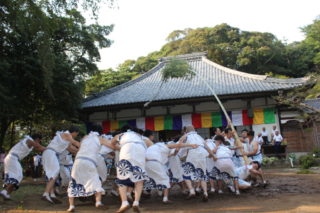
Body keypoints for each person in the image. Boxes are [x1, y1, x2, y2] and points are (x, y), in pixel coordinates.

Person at [67, 124, 115, 212]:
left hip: (78, 160)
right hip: (89, 161)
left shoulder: (85, 137)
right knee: (96, 181)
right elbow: (112, 146)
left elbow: (80, 147)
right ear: (100, 132)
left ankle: (71, 206)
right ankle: (98, 202)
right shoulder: (100, 139)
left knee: (73, 182)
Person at [144, 139, 198, 204]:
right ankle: (165, 198)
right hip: (157, 162)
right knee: (167, 180)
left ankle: (139, 195)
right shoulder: (165, 145)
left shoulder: (152, 148)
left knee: (144, 180)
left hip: (146, 163)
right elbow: (178, 146)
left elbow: (171, 154)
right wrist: (190, 145)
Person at [111, 126, 151, 213]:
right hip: (140, 150)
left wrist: (119, 148)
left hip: (126, 149)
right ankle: (136, 202)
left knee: (122, 177)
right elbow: (150, 145)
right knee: (139, 179)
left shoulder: (122, 134)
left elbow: (112, 143)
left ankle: (124, 203)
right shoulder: (140, 137)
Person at [42, 126, 80, 204]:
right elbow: (75, 143)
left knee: (52, 174)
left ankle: (51, 195)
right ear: (75, 132)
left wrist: (80, 151)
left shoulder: (67, 139)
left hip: (50, 153)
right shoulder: (67, 134)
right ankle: (46, 194)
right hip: (51, 153)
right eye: (77, 134)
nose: (76, 135)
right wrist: (87, 147)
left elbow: (71, 149)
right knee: (54, 173)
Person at [0, 134, 46, 200]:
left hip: (11, 158)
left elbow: (38, 148)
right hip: (12, 158)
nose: (39, 142)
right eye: (39, 141)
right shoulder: (29, 140)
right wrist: (50, 149)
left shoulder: (29, 142)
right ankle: (5, 192)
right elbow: (38, 146)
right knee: (18, 176)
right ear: (37, 139)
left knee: (15, 176)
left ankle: (6, 194)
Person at [181, 126, 214, 202]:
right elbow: (207, 147)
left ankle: (192, 191)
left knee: (186, 174)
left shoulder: (186, 136)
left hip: (192, 154)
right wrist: (213, 155)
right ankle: (205, 193)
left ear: (186, 130)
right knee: (202, 175)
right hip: (202, 155)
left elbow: (180, 144)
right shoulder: (199, 137)